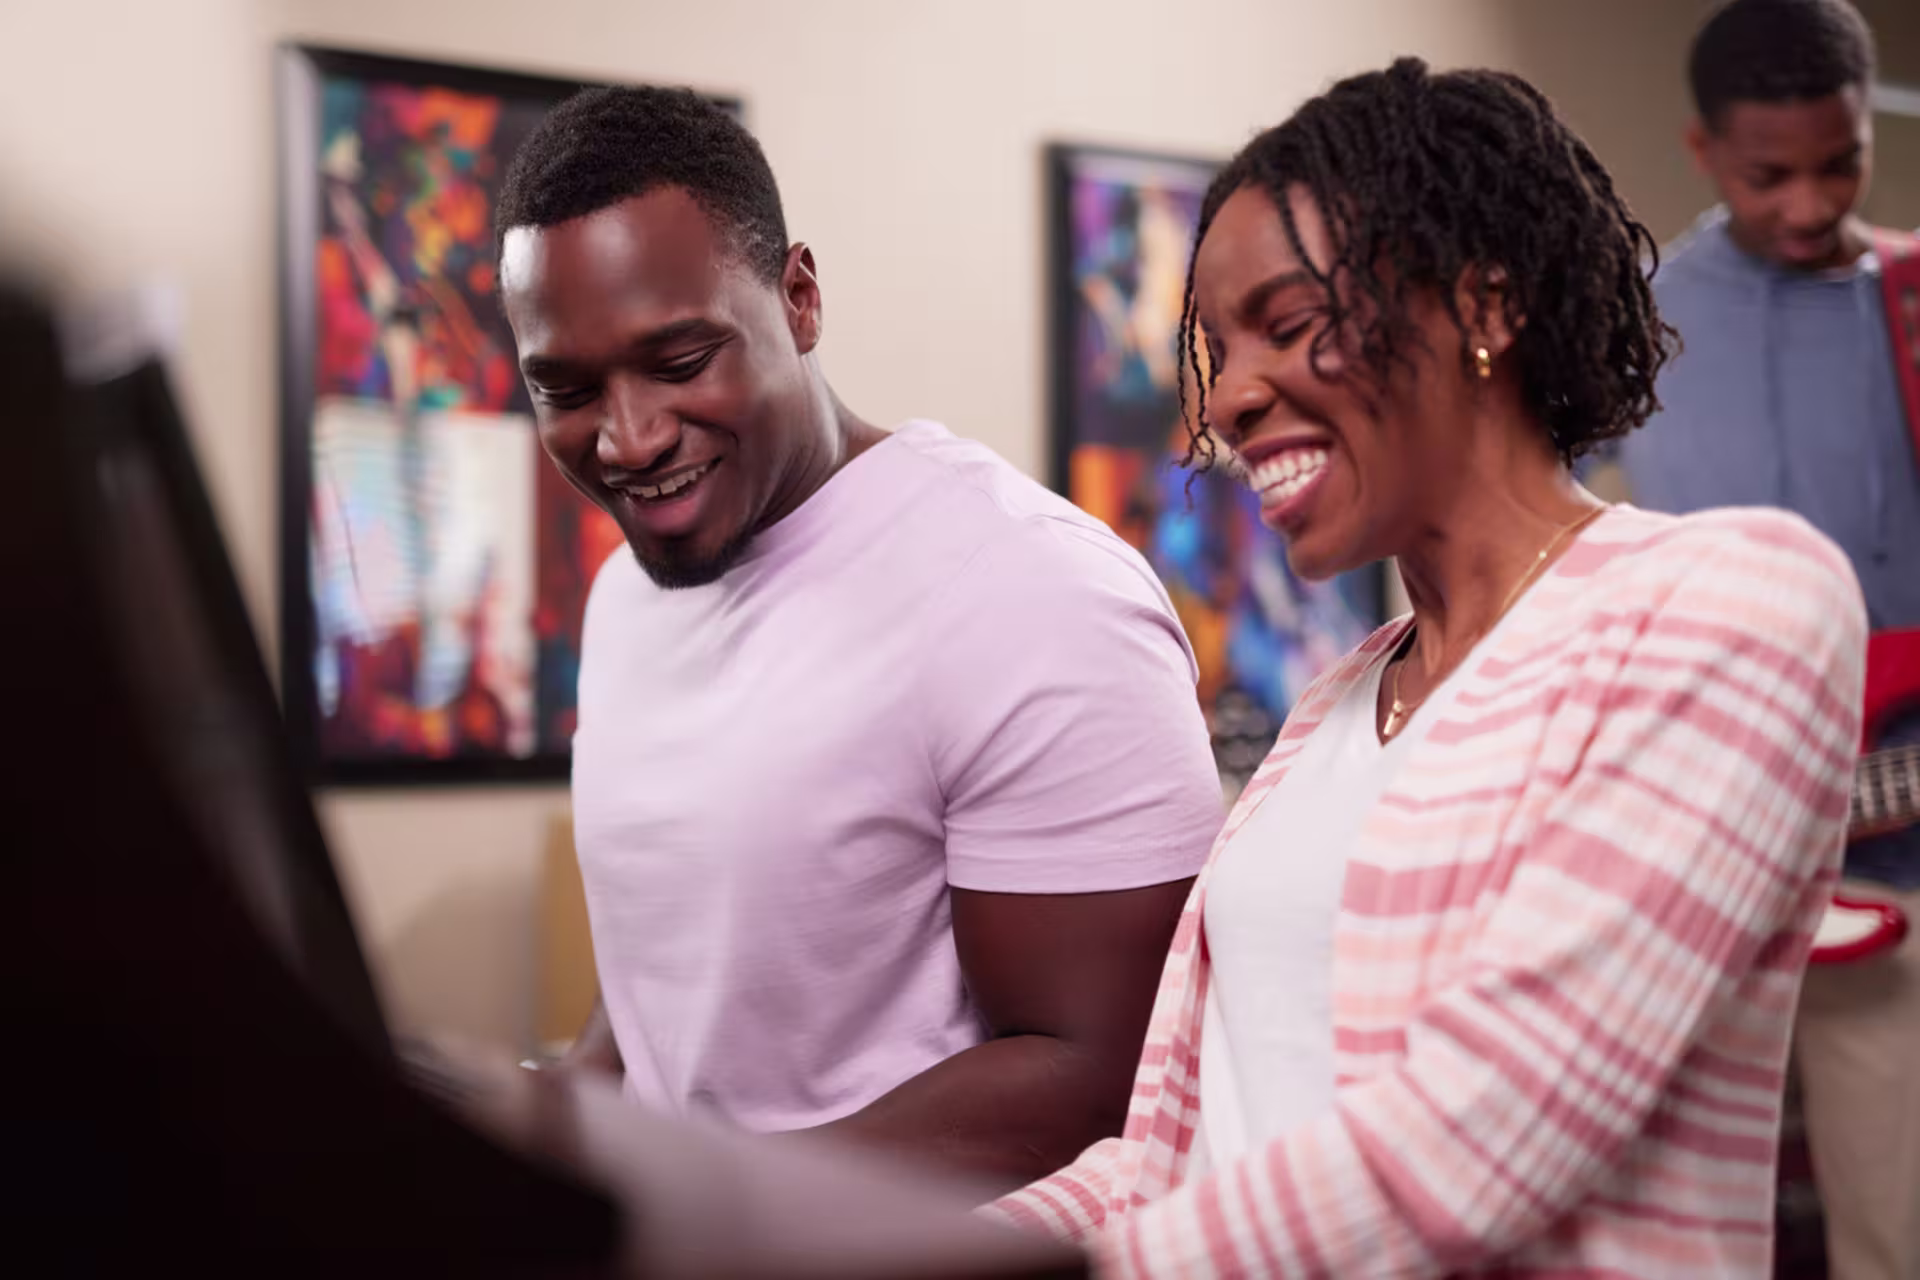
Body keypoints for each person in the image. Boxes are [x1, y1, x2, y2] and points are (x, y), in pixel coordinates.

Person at [988, 58, 1865, 1275]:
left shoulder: (1730, 600)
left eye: (1288, 327)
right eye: (1217, 350)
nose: (1232, 396)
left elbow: (1480, 1141)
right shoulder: (1332, 703)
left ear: (1484, 305)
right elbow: (1171, 1149)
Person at [492, 87, 1222, 1190]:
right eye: (568, 389)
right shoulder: (628, 595)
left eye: (681, 362)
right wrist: (523, 1121)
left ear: (799, 298)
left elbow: (1103, 1077)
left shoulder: (1030, 589)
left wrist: (700, 1207)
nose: (629, 439)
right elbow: (670, 1002)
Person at [1616, 3, 1920, 1275]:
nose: (1809, 202)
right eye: (1767, 174)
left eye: (1841, 160)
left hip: (1893, 849)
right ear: (1702, 147)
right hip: (1684, 860)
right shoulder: (1626, 322)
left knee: (1890, 1230)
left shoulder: (1910, 301)